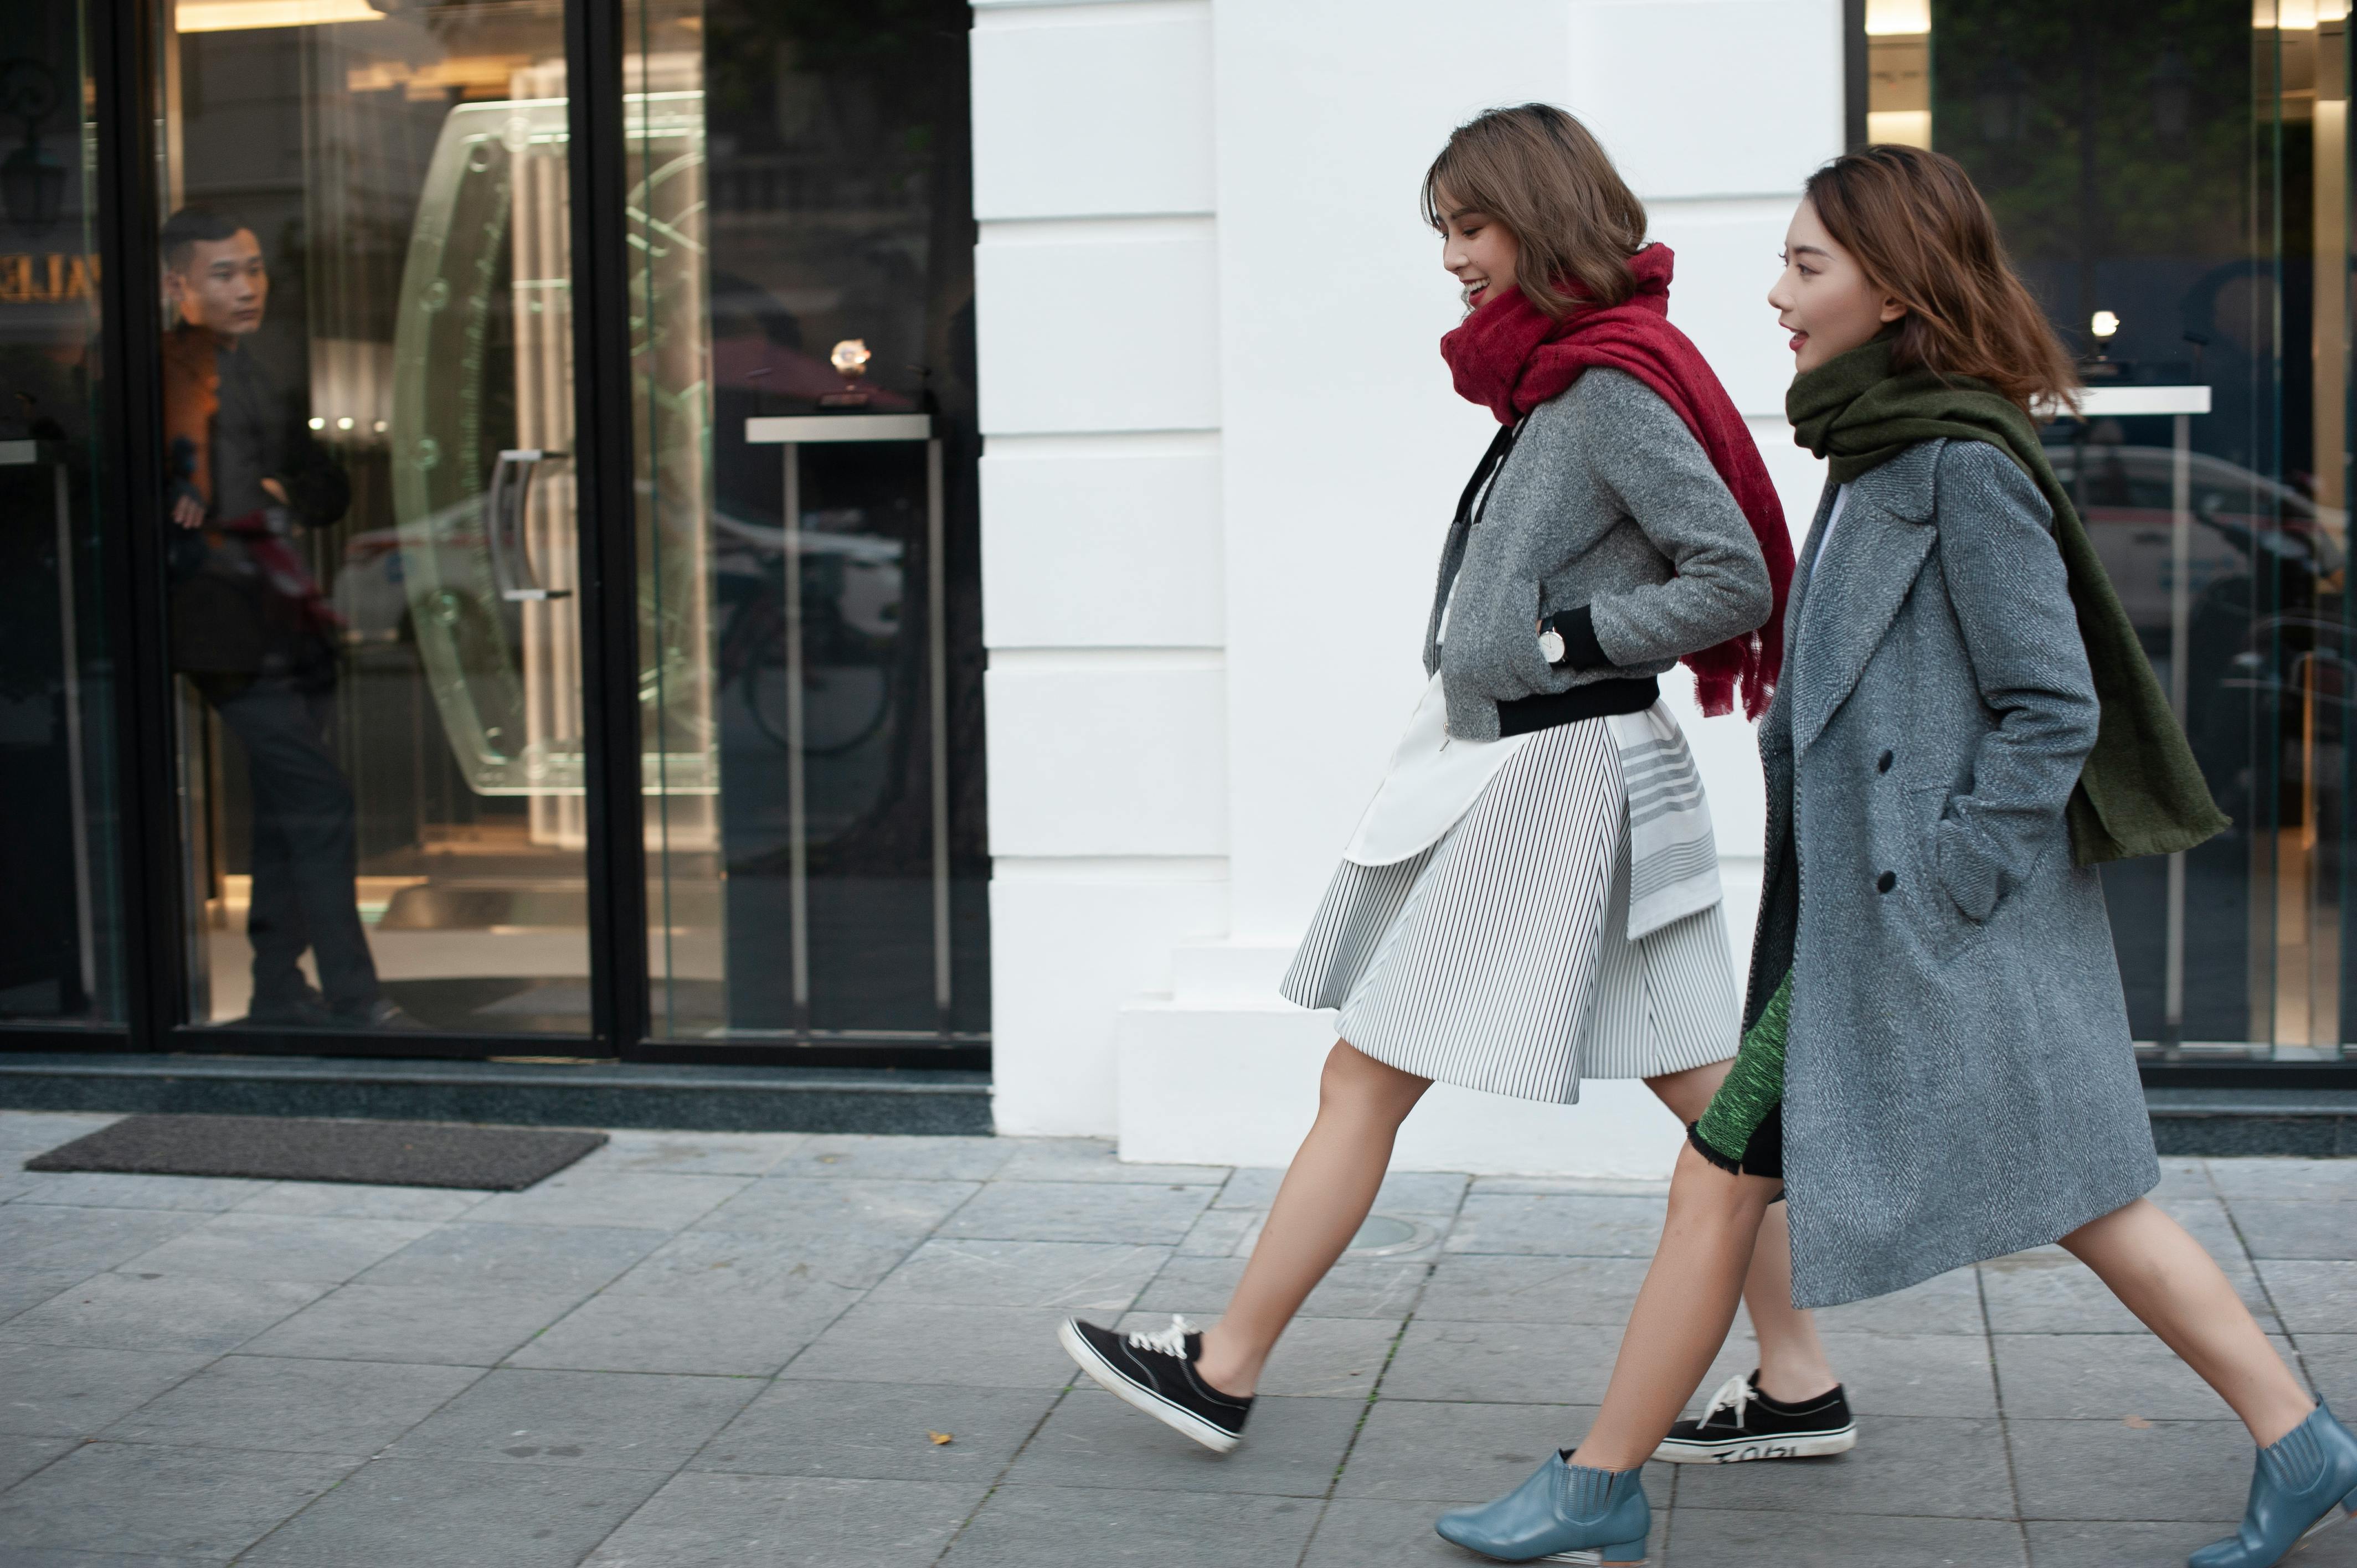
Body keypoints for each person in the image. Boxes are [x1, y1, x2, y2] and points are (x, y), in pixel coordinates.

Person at [1436, 144, 2356, 1568]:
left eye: (1806, 266)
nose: (1776, 294)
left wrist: (1950, 874)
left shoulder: (1959, 464)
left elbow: (2052, 706)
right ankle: (2298, 1440)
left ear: (1896, 288)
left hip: (1917, 915)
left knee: (1759, 1182)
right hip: (1864, 916)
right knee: (2044, 1199)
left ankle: (1600, 1486)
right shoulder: (1876, 445)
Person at [1056, 105, 1861, 1467]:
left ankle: (1224, 1366)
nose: (1452, 257)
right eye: (1443, 229)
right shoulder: (1569, 378)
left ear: (1539, 219)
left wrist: (1559, 642)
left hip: (1559, 777)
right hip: (1574, 767)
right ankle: (1798, 1380)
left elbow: (1731, 575)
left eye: (1471, 225)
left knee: (1363, 1075)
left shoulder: (1607, 386)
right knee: (1714, 1100)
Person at [160, 206, 415, 1031]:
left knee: (287, 808)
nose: (247, 288)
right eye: (223, 274)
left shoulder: (256, 370)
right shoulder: (165, 372)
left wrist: (276, 493)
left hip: (278, 618)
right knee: (318, 801)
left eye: (254, 269)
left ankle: (277, 988)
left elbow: (326, 488)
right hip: (220, 624)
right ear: (177, 285)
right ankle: (354, 996)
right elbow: (209, 492)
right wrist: (256, 494)